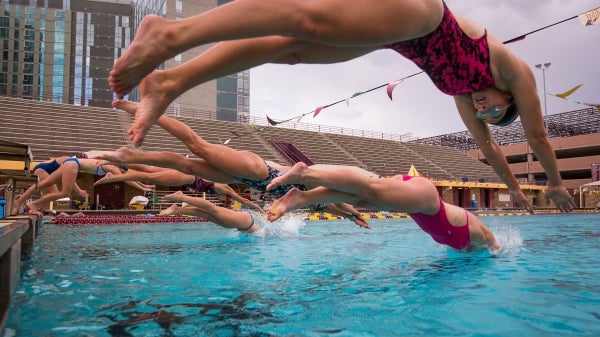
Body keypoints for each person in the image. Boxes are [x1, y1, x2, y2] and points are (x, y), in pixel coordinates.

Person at [108, 0, 574, 213]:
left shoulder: (462, 92)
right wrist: (552, 180)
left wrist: (515, 189)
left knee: (290, 50)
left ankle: (170, 82)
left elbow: (489, 149)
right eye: (494, 108)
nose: (484, 110)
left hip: (401, 39)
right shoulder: (513, 70)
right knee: (308, 19)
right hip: (427, 18)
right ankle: (173, 34)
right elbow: (536, 137)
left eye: (488, 114)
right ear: (508, 95)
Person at [97, 100, 370, 228]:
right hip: (262, 171)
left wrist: (354, 217)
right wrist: (355, 210)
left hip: (253, 179)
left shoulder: (323, 202)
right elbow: (343, 203)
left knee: (188, 166)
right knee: (197, 146)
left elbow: (341, 209)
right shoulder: (325, 188)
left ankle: (130, 157)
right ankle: (146, 111)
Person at [266, 162, 500, 252]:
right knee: (371, 189)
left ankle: (302, 197)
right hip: (427, 201)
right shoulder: (478, 236)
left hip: (415, 203)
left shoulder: (464, 246)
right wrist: (498, 249)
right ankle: (307, 173)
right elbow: (490, 239)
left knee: (361, 199)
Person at [93, 164, 264, 212]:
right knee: (149, 175)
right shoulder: (226, 189)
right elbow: (243, 201)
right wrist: (257, 207)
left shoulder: (221, 181)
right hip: (187, 178)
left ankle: (121, 161)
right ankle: (113, 176)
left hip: (185, 175)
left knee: (149, 170)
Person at [22, 156, 150, 215]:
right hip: (72, 164)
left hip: (71, 162)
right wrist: (142, 187)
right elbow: (126, 179)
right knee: (63, 193)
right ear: (119, 167)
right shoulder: (112, 166)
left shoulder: (108, 165)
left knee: (46, 183)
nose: (121, 173)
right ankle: (33, 204)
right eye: (122, 171)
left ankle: (20, 201)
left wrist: (142, 184)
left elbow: (129, 177)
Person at [160, 191, 260, 233]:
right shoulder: (271, 234)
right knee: (213, 209)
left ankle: (177, 210)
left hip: (242, 225)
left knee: (204, 214)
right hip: (245, 222)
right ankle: (181, 196)